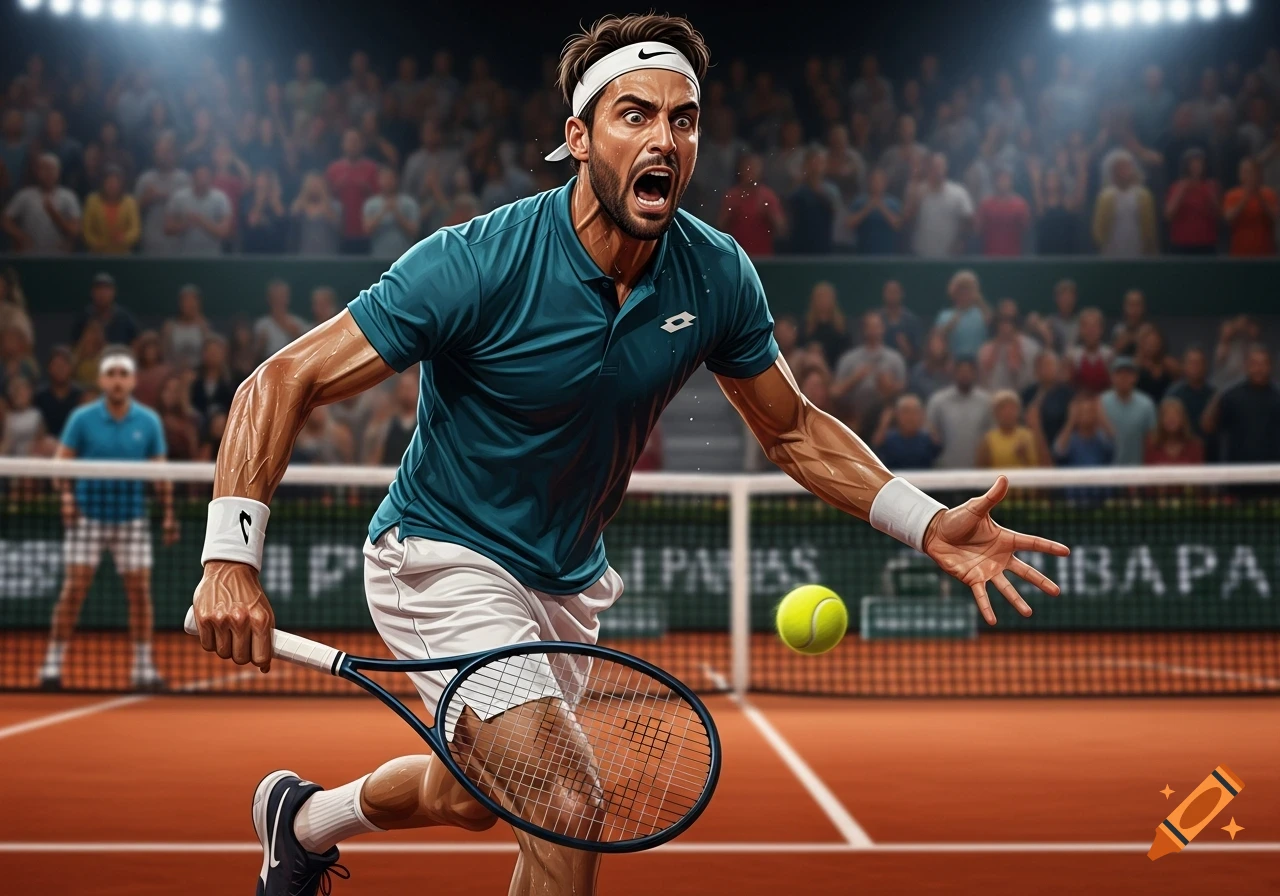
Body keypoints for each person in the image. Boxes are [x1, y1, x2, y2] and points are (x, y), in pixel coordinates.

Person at [187, 16, 1067, 896]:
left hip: (566, 577)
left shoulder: (716, 274)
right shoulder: (477, 263)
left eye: (682, 120)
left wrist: (925, 523)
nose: (665, 139)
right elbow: (281, 379)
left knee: (476, 796)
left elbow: (792, 428)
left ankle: (299, 821)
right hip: (444, 554)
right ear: (578, 138)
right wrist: (230, 557)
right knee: (567, 804)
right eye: (634, 115)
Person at [39, 346, 177, 691]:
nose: (117, 381)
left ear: (132, 381)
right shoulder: (81, 419)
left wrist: (169, 513)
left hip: (131, 519)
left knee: (140, 593)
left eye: (123, 375)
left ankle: (143, 669)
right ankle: (51, 666)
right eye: (111, 374)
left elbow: (161, 472)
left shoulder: (148, 421)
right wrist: (67, 496)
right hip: (88, 518)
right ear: (102, 380)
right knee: (74, 590)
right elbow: (61, 465)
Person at [1201, 344, 1280, 464]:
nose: (1259, 368)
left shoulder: (1277, 396)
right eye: (1254, 364)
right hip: (1238, 470)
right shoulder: (1230, 396)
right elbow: (1207, 426)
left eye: (1263, 363)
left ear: (1270, 366)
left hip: (1273, 469)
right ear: (1246, 366)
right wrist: (1219, 393)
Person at [830, 311, 906, 434]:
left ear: (883, 329)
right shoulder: (848, 359)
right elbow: (834, 393)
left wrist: (889, 387)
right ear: (863, 330)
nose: (873, 331)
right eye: (869, 327)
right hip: (853, 418)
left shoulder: (895, 359)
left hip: (887, 420)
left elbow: (904, 393)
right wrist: (855, 378)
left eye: (877, 326)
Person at [2, 153, 81, 253]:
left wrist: (54, 214)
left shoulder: (69, 196)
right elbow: (5, 221)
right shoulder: (24, 195)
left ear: (58, 172)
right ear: (37, 171)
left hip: (59, 258)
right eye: (44, 169)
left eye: (52, 169)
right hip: (29, 257)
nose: (49, 173)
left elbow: (75, 231)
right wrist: (20, 236)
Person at [925, 355, 993, 469]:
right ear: (954, 373)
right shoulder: (938, 401)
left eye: (968, 371)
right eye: (961, 371)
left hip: (979, 470)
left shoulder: (986, 402)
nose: (965, 375)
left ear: (975, 374)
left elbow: (992, 435)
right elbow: (930, 432)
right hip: (946, 469)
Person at [717, 151, 786, 256]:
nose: (750, 171)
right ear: (740, 170)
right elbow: (719, 228)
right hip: (737, 256)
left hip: (763, 257)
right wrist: (731, 214)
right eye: (747, 167)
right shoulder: (732, 195)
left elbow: (782, 230)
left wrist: (769, 214)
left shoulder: (768, 196)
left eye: (755, 167)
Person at [905, 152, 973, 257]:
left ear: (946, 168)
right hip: (921, 255)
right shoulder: (918, 191)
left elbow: (968, 219)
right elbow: (907, 221)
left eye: (940, 166)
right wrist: (916, 197)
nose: (938, 170)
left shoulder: (959, 192)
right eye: (934, 167)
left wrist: (960, 241)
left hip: (950, 256)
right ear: (928, 169)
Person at [1092, 151, 1157, 257]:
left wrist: (1151, 249)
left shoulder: (1143, 196)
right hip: (1111, 250)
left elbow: (1149, 227)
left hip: (1138, 249)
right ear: (1113, 171)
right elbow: (1099, 228)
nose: (1124, 171)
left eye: (1127, 167)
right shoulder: (1105, 197)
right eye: (1120, 168)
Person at [326, 129, 380, 254]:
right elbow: (325, 197)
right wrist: (336, 188)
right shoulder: (333, 169)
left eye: (356, 141)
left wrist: (368, 189)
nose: (352, 145)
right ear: (342, 144)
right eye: (349, 141)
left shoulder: (371, 168)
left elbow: (380, 197)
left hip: (365, 230)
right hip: (339, 231)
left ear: (362, 144)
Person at [165, 159, 233, 256]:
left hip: (212, 257)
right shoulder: (179, 197)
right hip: (183, 256)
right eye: (199, 176)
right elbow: (167, 229)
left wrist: (201, 221)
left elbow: (224, 232)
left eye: (206, 176)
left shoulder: (221, 198)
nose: (202, 180)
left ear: (211, 178)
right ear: (193, 177)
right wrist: (186, 224)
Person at [1099, 356, 1157, 466]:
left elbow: (1151, 440)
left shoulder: (1146, 404)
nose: (1123, 377)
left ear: (1135, 377)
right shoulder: (1101, 402)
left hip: (1136, 470)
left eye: (1128, 373)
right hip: (1106, 470)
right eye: (1119, 373)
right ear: (1112, 377)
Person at [1165, 149, 1220, 255]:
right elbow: (1168, 215)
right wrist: (1181, 191)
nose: (1196, 165)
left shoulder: (1211, 186)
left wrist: (1212, 196)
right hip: (1181, 244)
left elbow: (1219, 217)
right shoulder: (1177, 187)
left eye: (1199, 162)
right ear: (1186, 165)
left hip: (1206, 243)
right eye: (1192, 162)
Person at [362, 368, 419, 465]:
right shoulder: (387, 425)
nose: (406, 393)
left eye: (410, 388)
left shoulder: (424, 424)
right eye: (403, 388)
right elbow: (374, 458)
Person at [1223, 157, 1278, 256]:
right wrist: (1244, 199)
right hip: (1239, 253)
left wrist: (1260, 198)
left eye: (1251, 172)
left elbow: (1275, 218)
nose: (1247, 175)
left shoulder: (1269, 194)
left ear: (1258, 174)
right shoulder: (1232, 195)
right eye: (1244, 171)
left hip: (1265, 254)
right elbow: (1228, 218)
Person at [362, 166, 420, 258]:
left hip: (404, 258)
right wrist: (383, 211)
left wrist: (396, 213)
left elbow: (415, 232)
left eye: (390, 178)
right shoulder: (371, 204)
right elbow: (366, 230)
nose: (387, 182)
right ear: (378, 180)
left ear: (396, 180)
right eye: (384, 178)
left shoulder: (409, 203)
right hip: (378, 256)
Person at [976, 391, 1042, 468]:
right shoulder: (988, 440)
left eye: (1012, 408)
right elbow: (981, 470)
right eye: (1003, 408)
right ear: (995, 413)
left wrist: (1025, 456)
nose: (1008, 412)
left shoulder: (1029, 436)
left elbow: (1041, 466)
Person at [872, 393, 938, 470]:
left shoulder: (927, 438)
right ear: (897, 414)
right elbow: (875, 447)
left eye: (915, 412)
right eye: (905, 411)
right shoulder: (889, 438)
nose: (910, 417)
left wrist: (926, 421)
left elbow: (938, 448)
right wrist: (884, 423)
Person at [82, 166, 140, 254]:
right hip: (97, 255)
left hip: (123, 256)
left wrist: (124, 238)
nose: (112, 185)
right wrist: (96, 243)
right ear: (102, 183)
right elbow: (86, 230)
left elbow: (135, 230)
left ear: (121, 184)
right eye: (108, 182)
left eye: (116, 182)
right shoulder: (92, 200)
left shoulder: (130, 202)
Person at [935, 269, 990, 360]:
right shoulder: (945, 316)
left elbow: (992, 322)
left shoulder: (982, 313)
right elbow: (937, 341)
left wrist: (978, 299)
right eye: (961, 289)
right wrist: (949, 326)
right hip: (954, 364)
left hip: (979, 362)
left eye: (968, 289)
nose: (964, 293)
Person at [71, 272, 139, 346]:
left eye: (106, 289)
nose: (102, 293)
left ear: (114, 292)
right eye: (99, 289)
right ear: (92, 292)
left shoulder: (124, 317)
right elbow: (74, 345)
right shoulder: (84, 317)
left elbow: (136, 342)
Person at [847, 167, 903, 255]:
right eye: (874, 181)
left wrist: (881, 207)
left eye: (880, 181)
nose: (877, 184)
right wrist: (868, 207)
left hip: (887, 254)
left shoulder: (893, 203)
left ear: (885, 183)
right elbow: (849, 224)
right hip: (863, 253)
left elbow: (898, 225)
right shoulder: (859, 201)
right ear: (869, 182)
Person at [34, 345, 84, 440]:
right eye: (56, 365)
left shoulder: (80, 396)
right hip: (47, 447)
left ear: (71, 368)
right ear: (49, 368)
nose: (60, 369)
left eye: (64, 365)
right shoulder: (39, 397)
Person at [253, 279, 307, 360]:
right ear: (269, 299)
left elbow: (306, 350)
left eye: (282, 296)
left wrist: (295, 334)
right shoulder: (261, 325)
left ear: (288, 298)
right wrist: (261, 345)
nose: (278, 300)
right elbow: (255, 355)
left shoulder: (298, 323)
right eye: (275, 296)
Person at [161, 284, 212, 368]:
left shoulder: (204, 326)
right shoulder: (169, 326)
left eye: (192, 300)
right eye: (185, 300)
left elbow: (209, 354)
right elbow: (163, 354)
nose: (189, 304)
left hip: (198, 371)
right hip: (173, 371)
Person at [1065, 308, 1113, 394]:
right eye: (1086, 326)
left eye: (1094, 326)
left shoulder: (1109, 354)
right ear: (1080, 330)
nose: (1090, 331)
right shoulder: (1072, 355)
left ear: (1101, 329)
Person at [1144, 397, 1204, 465]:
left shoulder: (1195, 446)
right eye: (1167, 415)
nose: (1171, 419)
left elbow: (1199, 473)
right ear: (1160, 420)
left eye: (1176, 415)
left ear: (1183, 419)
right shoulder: (1151, 444)